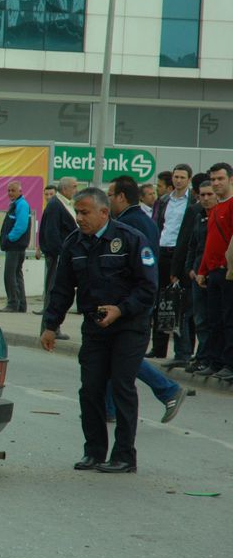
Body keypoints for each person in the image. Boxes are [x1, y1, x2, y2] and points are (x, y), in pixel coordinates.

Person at [40, 188, 157, 474]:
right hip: (95, 327)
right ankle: (93, 452)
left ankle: (125, 455)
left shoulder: (130, 239)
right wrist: (50, 325)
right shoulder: (74, 243)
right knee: (90, 389)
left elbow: (148, 288)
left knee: (121, 386)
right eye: (77, 212)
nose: (79, 218)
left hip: (129, 326)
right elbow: (62, 289)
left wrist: (121, 309)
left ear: (104, 212)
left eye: (85, 212)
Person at [105, 176, 185, 423]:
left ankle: (167, 389)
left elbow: (132, 267)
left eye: (109, 194)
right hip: (131, 299)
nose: (107, 199)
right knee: (112, 353)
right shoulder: (141, 220)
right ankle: (108, 409)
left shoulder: (129, 224)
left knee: (123, 355)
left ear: (121, 196)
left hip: (130, 302)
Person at [195, 163, 233, 380]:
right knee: (214, 320)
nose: (216, 183)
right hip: (213, 272)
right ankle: (215, 361)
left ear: (231, 179)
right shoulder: (216, 208)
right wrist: (202, 270)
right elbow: (209, 242)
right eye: (214, 179)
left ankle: (229, 363)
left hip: (228, 272)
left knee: (229, 319)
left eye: (220, 179)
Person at [150, 164, 193, 359]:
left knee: (180, 304)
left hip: (181, 253)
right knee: (160, 301)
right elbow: (157, 225)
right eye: (176, 177)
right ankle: (158, 348)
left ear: (188, 180)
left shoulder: (192, 201)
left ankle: (182, 352)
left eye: (182, 177)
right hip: (162, 250)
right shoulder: (164, 200)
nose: (178, 180)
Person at [179, 180, 216, 373]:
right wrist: (190, 268)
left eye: (210, 194)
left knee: (215, 320)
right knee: (199, 319)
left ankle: (212, 359)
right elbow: (192, 245)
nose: (206, 198)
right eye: (203, 195)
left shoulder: (221, 215)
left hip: (215, 274)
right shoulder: (198, 216)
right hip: (197, 275)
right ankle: (201, 357)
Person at [36, 178, 77, 338]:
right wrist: (60, 254)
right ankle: (47, 328)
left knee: (60, 293)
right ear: (65, 188)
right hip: (58, 256)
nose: (76, 190)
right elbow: (52, 233)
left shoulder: (65, 204)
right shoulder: (56, 205)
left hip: (64, 255)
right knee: (53, 292)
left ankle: (54, 327)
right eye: (74, 187)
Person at [0, 180, 31, 313]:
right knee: (17, 275)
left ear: (20, 191)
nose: (10, 193)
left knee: (10, 275)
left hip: (15, 246)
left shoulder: (22, 205)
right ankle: (21, 305)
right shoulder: (16, 204)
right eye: (8, 191)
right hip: (16, 246)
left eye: (13, 190)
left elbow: (21, 226)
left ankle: (12, 304)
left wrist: (9, 238)